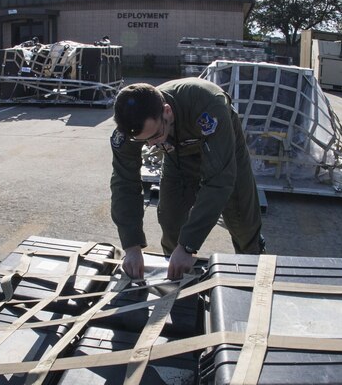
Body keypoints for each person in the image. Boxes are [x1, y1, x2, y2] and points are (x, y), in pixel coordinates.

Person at [109, 78, 265, 280]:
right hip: (178, 157)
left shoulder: (208, 106)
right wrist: (131, 245)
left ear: (167, 112)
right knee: (171, 218)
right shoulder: (128, 130)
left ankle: (253, 272)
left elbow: (219, 181)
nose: (151, 144)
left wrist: (189, 245)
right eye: (144, 141)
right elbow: (124, 183)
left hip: (224, 149)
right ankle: (175, 275)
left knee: (243, 221)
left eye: (155, 136)